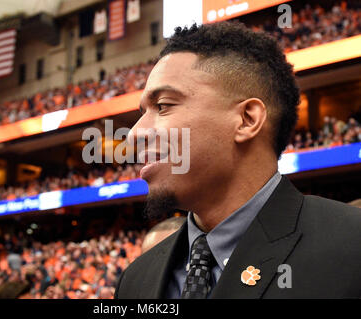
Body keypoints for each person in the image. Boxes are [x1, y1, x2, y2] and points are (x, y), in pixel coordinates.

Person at [114, 22, 361, 299]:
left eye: (163, 106)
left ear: (247, 120)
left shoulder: (353, 246)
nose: (134, 133)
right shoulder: (135, 280)